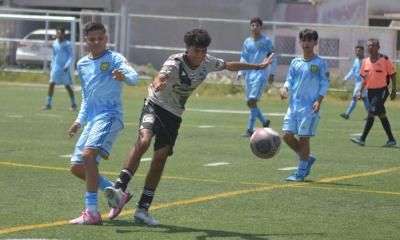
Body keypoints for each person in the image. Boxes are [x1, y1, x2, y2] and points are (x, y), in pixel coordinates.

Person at [103, 28, 274, 225]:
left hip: (174, 115)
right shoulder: (175, 62)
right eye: (196, 51)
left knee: (159, 160)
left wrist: (258, 66)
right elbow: (161, 76)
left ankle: (143, 209)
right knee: (144, 140)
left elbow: (229, 65)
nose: (200, 55)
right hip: (155, 104)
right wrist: (158, 83)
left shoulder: (207, 62)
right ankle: (119, 188)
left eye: (203, 51)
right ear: (187, 49)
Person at [68, 22, 138, 225]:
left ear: (106, 38)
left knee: (88, 155)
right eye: (92, 39)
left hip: (110, 115)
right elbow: (87, 99)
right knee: (76, 167)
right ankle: (118, 195)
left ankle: (91, 213)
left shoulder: (115, 58)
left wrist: (123, 76)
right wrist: (78, 121)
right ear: (85, 41)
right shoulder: (82, 64)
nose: (96, 42)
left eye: (100, 38)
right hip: (92, 120)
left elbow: (134, 78)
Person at [280, 29, 330, 182]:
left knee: (304, 138)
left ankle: (301, 172)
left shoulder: (320, 63)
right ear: (300, 42)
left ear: (315, 43)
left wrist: (318, 100)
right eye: (304, 40)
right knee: (287, 136)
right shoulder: (296, 62)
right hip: (294, 105)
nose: (306, 43)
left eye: (310, 40)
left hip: (309, 107)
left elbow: (324, 83)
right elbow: (289, 79)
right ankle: (307, 158)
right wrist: (284, 88)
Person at [351, 38, 397, 147]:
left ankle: (362, 139)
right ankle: (391, 139)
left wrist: (394, 90)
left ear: (378, 47)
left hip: (381, 91)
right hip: (370, 92)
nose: (370, 47)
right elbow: (364, 78)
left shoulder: (384, 59)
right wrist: (359, 91)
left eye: (373, 45)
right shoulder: (365, 62)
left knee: (370, 113)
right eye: (368, 45)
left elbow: (393, 75)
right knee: (381, 115)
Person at [238, 17, 277, 137]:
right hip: (249, 73)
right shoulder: (247, 42)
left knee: (252, 101)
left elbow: (272, 56)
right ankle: (265, 122)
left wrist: (272, 73)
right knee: (250, 103)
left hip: (261, 73)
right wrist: (240, 72)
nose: (255, 27)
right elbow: (244, 57)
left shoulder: (266, 41)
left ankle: (250, 130)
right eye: (253, 25)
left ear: (261, 27)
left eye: (257, 25)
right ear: (250, 27)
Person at [43, 26, 77, 111]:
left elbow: (70, 55)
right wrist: (52, 64)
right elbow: (54, 55)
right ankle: (48, 104)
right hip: (56, 67)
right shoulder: (55, 43)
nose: (58, 34)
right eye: (57, 32)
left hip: (64, 68)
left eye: (60, 33)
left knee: (67, 86)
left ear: (63, 34)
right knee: (51, 84)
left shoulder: (67, 44)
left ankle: (73, 104)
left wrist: (67, 65)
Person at [340, 45, 369, 120]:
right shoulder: (356, 60)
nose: (357, 52)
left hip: (362, 82)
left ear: (363, 51)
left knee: (355, 97)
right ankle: (370, 115)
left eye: (359, 51)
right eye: (356, 51)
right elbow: (353, 71)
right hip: (358, 82)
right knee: (364, 98)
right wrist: (346, 78)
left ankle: (347, 114)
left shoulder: (366, 61)